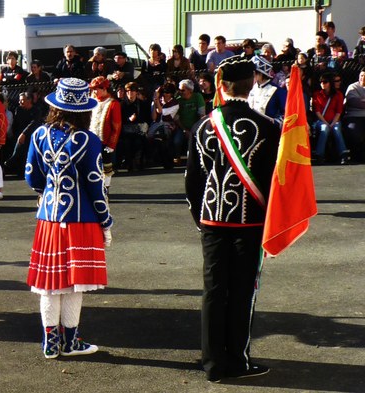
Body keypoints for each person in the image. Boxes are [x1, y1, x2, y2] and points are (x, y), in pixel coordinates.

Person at [185, 55, 279, 383]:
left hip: (211, 220)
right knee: (242, 291)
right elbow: (272, 181)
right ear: (252, 82)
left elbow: (193, 182)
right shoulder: (268, 128)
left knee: (213, 291)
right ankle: (237, 361)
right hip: (250, 222)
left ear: (222, 86)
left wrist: (202, 218)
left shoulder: (201, 126)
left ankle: (212, 363)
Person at [25, 77, 113, 359]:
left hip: (49, 218)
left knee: (50, 284)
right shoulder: (89, 140)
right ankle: (71, 342)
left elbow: (31, 176)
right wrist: (106, 221)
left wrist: (46, 192)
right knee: (76, 284)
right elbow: (95, 186)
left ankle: (50, 343)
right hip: (82, 219)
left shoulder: (39, 134)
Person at [88, 76, 122, 184]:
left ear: (104, 89)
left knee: (106, 167)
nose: (94, 92)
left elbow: (116, 126)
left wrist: (112, 144)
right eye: (93, 89)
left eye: (96, 89)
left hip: (105, 142)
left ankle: (106, 188)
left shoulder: (113, 104)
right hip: (92, 140)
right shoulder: (92, 102)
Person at [312, 73, 349, 164]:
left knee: (336, 129)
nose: (322, 84)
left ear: (330, 83)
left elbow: (338, 112)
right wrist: (327, 123)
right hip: (321, 120)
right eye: (321, 82)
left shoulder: (338, 94)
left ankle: (343, 154)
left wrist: (332, 123)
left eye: (325, 82)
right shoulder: (317, 94)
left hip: (334, 120)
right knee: (324, 128)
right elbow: (317, 112)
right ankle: (319, 155)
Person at [247, 55, 287, 126]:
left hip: (269, 130)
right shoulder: (251, 88)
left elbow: (285, 114)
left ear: (260, 74)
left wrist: (274, 122)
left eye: (253, 73)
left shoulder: (277, 91)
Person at [175, 79, 205, 163]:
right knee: (177, 141)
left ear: (190, 90)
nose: (180, 92)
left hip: (195, 126)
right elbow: (176, 118)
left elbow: (202, 114)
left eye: (183, 90)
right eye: (179, 90)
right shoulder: (178, 100)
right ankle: (178, 157)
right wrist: (184, 129)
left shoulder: (198, 97)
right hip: (182, 127)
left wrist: (194, 129)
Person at [343, 69, 365, 161]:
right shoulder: (353, 87)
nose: (362, 78)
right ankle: (356, 156)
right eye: (361, 75)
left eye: (364, 76)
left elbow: (360, 102)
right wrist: (361, 102)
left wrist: (362, 100)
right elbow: (353, 102)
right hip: (354, 116)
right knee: (354, 131)